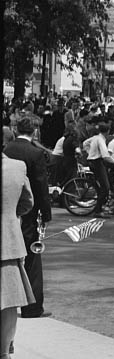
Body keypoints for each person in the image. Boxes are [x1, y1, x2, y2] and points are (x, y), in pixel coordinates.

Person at [4, 117, 52, 319]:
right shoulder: (36, 153)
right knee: (32, 258)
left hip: (8, 209)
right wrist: (46, 213)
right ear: (35, 132)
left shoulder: (8, 150)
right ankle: (32, 307)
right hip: (28, 211)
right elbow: (40, 187)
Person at [2, 152, 37, 359]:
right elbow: (27, 202)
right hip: (8, 240)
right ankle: (4, 353)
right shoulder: (17, 167)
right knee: (8, 301)